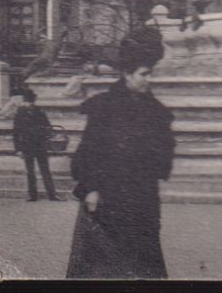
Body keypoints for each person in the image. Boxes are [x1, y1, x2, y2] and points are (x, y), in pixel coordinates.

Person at [66, 38, 175, 280]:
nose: (149, 79)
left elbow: (162, 157)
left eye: (151, 74)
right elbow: (87, 152)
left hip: (142, 199)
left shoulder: (156, 111)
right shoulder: (104, 107)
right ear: (127, 73)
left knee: (144, 265)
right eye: (144, 74)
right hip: (106, 199)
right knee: (102, 268)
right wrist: (91, 189)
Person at [12, 88, 60, 202]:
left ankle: (51, 195)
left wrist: (44, 135)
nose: (29, 103)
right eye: (28, 101)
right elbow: (16, 132)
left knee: (43, 170)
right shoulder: (21, 113)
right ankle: (34, 195)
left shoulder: (38, 112)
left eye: (30, 101)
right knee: (32, 171)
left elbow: (48, 127)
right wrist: (18, 149)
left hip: (38, 145)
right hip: (29, 146)